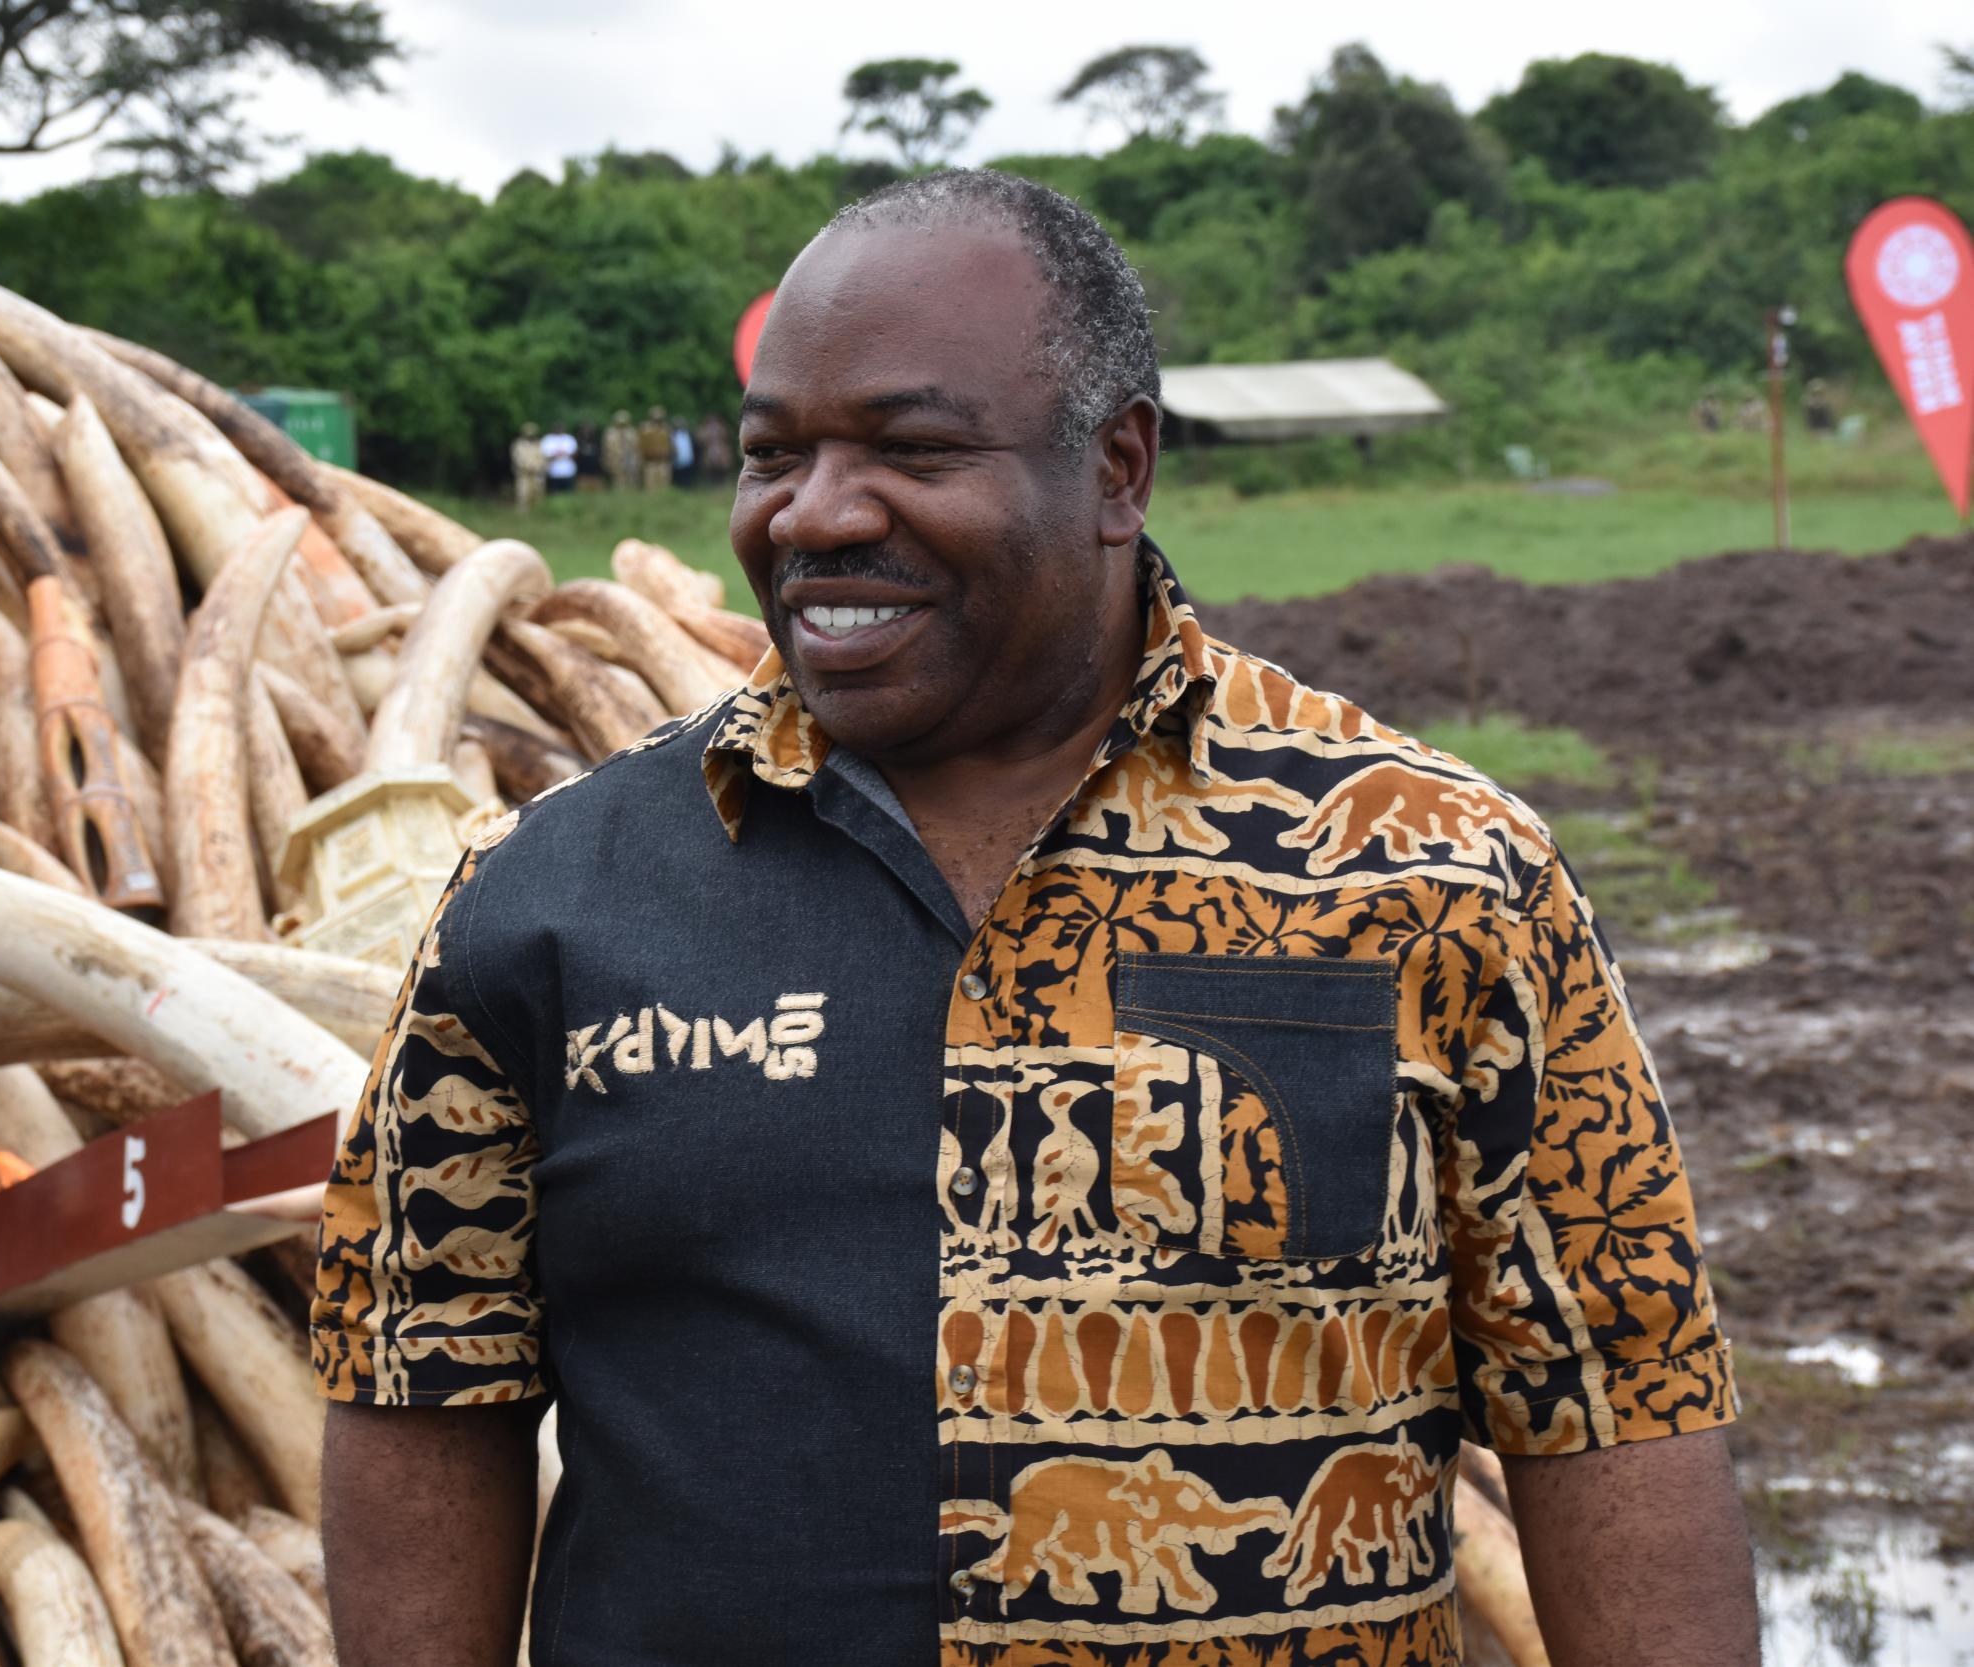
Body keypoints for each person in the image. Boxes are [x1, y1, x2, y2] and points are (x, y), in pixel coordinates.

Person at [316, 170, 1756, 1667]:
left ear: (1120, 466)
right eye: (772, 455)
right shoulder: (546, 900)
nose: (815, 513)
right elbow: (421, 1387)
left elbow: (1616, 1401)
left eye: (912, 447)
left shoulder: (1434, 877)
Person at [508, 421, 545, 512]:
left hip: (536, 473)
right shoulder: (518, 444)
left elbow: (542, 457)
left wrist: (537, 467)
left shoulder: (538, 444)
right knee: (523, 493)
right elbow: (517, 458)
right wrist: (527, 467)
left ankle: (538, 511)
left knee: (537, 492)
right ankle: (523, 512)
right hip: (523, 473)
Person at [638, 405, 674, 493]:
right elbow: (640, 445)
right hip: (650, 461)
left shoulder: (666, 428)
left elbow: (671, 444)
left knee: (664, 484)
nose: (657, 419)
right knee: (650, 485)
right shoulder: (645, 428)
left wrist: (670, 454)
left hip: (663, 461)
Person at [601, 409, 639, 491]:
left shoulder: (631, 432)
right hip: (615, 459)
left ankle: (630, 493)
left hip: (629, 458)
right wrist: (607, 460)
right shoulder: (611, 433)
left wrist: (636, 460)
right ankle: (619, 493)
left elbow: (636, 448)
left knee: (630, 479)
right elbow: (606, 449)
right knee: (617, 479)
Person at [539, 422, 577, 496]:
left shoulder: (569, 438)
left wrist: (565, 454)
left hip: (567, 470)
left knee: (568, 493)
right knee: (554, 492)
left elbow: (575, 453)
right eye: (557, 428)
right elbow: (543, 455)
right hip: (553, 471)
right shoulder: (548, 439)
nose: (559, 429)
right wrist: (554, 455)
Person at [695, 410, 732, 484]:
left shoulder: (721, 427)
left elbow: (726, 436)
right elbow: (699, 439)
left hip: (720, 449)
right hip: (709, 451)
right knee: (709, 468)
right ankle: (711, 483)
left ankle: (723, 482)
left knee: (722, 466)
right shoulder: (704, 429)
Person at [671, 413, 696, 487]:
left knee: (687, 481)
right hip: (677, 462)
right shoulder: (672, 435)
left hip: (688, 462)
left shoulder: (688, 434)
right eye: (678, 423)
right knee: (678, 481)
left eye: (681, 423)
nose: (680, 425)